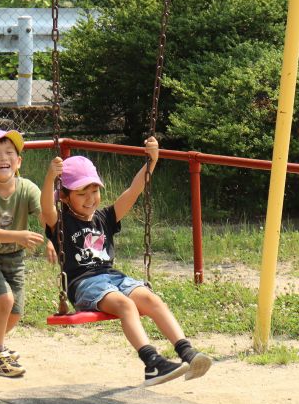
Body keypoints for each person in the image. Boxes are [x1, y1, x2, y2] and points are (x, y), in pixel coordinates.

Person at [41, 137, 213, 387]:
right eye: (81, 193)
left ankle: (187, 352)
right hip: (84, 284)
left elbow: (133, 191)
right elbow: (46, 207)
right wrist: (49, 177)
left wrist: (151, 162)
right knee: (126, 305)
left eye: (94, 191)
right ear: (65, 197)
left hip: (112, 277)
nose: (90, 199)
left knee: (151, 299)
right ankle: (152, 362)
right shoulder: (61, 222)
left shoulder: (105, 217)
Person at [0, 129, 53, 378]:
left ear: (18, 162)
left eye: (9, 152)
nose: (3, 157)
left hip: (14, 257)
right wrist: (20, 235)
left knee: (15, 314)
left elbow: (47, 217)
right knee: (4, 301)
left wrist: (51, 240)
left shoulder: (27, 188)